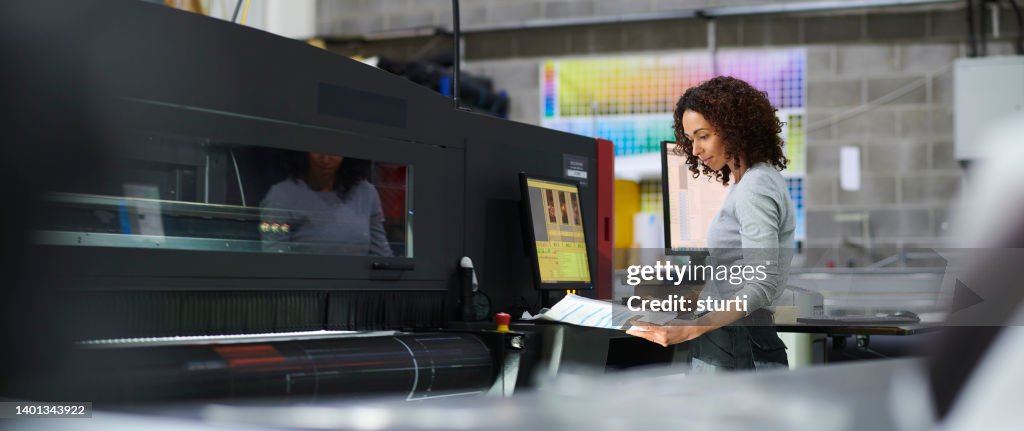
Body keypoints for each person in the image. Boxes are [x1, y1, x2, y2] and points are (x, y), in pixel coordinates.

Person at [627, 76, 795, 372]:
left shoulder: (755, 186)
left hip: (737, 346)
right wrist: (677, 304)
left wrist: (691, 329)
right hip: (732, 342)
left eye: (703, 136)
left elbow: (762, 284)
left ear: (734, 131)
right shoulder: (749, 182)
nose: (695, 150)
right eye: (691, 139)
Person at [260, 151, 393, 256]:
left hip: (356, 286)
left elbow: (381, 253)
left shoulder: (365, 192)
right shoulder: (281, 194)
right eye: (317, 151)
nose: (325, 159)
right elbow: (275, 256)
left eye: (335, 151)